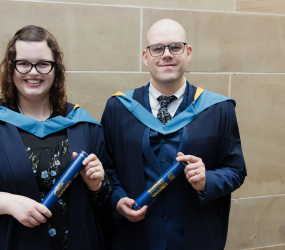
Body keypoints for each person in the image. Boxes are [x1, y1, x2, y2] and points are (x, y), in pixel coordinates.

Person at [0, 25, 112, 250]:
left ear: (55, 69)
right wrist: (3, 202)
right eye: (23, 64)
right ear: (10, 69)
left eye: (43, 64)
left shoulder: (85, 126)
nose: (33, 72)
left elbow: (106, 198)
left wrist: (97, 185)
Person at [101, 19, 247, 250]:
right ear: (145, 56)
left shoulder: (218, 109)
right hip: (136, 237)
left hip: (196, 238)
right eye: (157, 48)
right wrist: (117, 200)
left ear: (188, 53)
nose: (166, 54)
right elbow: (106, 169)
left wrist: (207, 180)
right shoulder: (118, 108)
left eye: (175, 47)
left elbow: (236, 170)